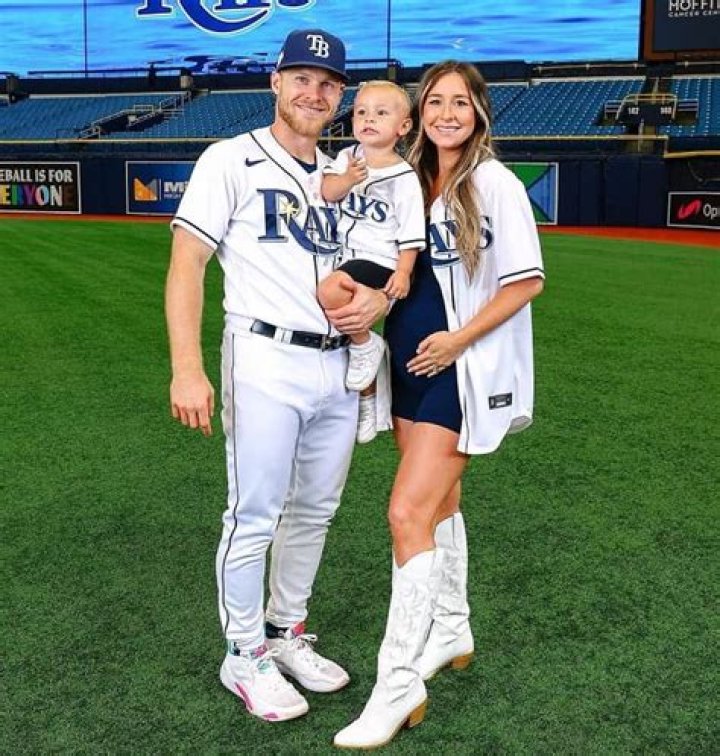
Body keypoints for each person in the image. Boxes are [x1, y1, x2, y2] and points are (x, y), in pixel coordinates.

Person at [165, 28, 388, 724]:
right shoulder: (229, 158)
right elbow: (187, 264)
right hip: (262, 356)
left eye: (327, 83)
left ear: (340, 96)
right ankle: (243, 652)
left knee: (315, 510)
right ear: (275, 82)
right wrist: (186, 368)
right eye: (301, 78)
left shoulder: (347, 175)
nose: (313, 92)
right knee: (254, 513)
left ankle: (285, 630)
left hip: (335, 363)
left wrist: (376, 306)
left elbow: (374, 266)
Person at [332, 60, 545, 748]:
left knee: (407, 512)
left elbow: (526, 282)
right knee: (442, 502)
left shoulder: (495, 182)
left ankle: (396, 684)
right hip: (407, 361)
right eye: (434, 102)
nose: (446, 114)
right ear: (418, 114)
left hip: (459, 366)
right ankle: (452, 627)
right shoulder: (405, 175)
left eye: (459, 102)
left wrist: (457, 341)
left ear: (479, 112)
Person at [318, 80, 425, 444]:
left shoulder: (404, 177)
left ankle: (367, 345)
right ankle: (367, 399)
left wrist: (404, 272)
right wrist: (347, 178)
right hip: (343, 254)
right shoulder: (347, 157)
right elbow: (328, 192)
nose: (368, 119)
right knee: (340, 323)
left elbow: (411, 233)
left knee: (330, 292)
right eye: (361, 112)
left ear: (403, 126)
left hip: (379, 259)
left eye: (381, 113)